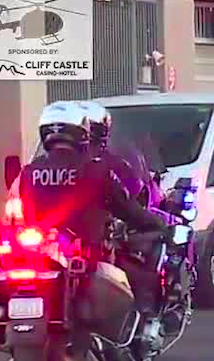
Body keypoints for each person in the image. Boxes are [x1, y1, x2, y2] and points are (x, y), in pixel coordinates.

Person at [19, 102, 168, 347]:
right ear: (82, 133)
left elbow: (25, 213)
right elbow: (126, 206)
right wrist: (155, 224)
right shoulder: (96, 169)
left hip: (43, 252)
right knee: (139, 277)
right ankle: (140, 330)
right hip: (90, 251)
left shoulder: (28, 172)